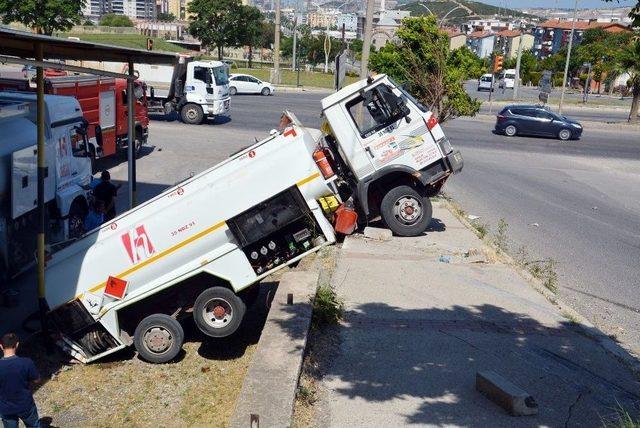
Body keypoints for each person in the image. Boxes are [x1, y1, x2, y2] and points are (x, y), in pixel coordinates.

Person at [0, 333, 41, 428]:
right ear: (17, 345)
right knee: (34, 425)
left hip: (6, 408)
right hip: (25, 404)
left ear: (1, 346)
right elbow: (37, 380)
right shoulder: (26, 362)